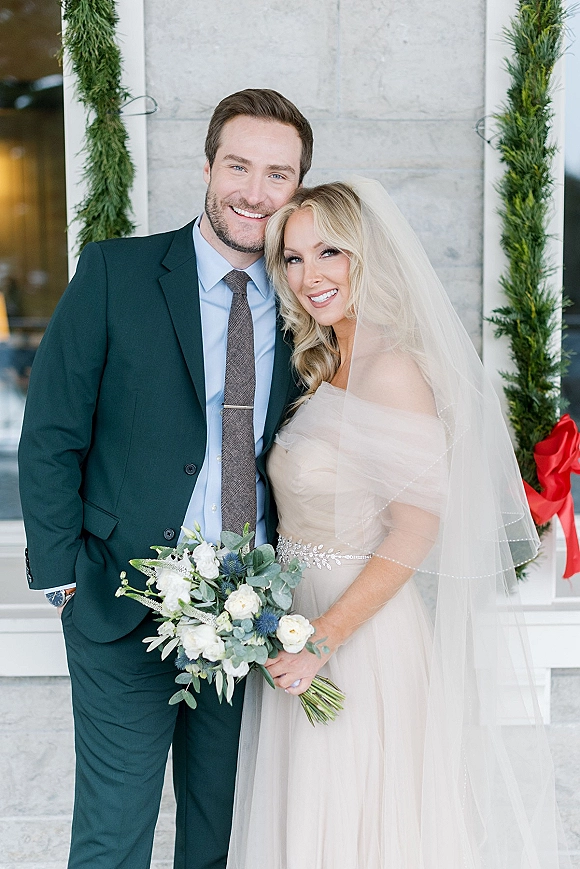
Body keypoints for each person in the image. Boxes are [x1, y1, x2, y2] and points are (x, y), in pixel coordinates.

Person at [226, 179, 568, 869]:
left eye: (329, 252)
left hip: (359, 639)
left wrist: (322, 640)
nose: (308, 275)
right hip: (301, 625)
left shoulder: (391, 369)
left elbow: (415, 529)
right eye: (291, 258)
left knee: (361, 829)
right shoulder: (325, 362)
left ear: (366, 255)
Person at [18, 89, 311, 869]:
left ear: (297, 188)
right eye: (240, 165)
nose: (255, 190)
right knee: (114, 837)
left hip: (247, 620)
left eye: (277, 174)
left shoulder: (303, 301)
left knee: (218, 838)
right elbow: (49, 432)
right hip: (119, 604)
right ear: (208, 166)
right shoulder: (119, 271)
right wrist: (64, 580)